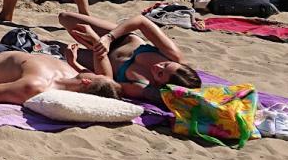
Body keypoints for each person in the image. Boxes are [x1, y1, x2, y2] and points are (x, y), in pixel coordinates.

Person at [58, 12, 201, 102]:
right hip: (119, 39)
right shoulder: (173, 55)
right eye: (165, 64)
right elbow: (141, 21)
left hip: (101, 60)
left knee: (56, 49)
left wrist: (94, 46)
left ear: (159, 85)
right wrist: (108, 38)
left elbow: (106, 82)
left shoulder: (141, 86)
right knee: (65, 18)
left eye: (160, 73)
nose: (158, 66)